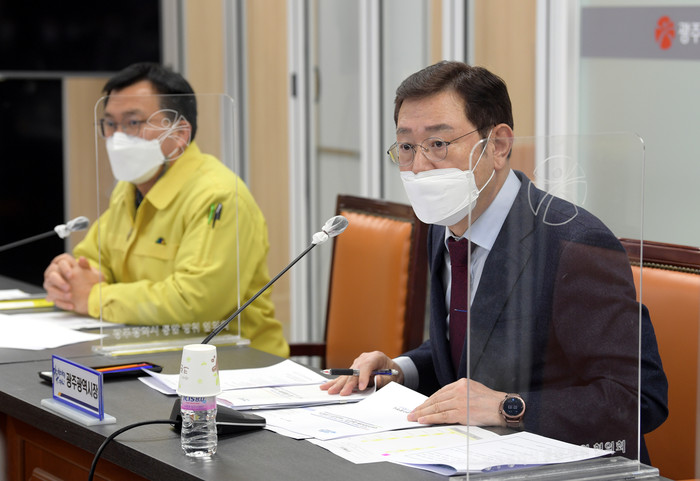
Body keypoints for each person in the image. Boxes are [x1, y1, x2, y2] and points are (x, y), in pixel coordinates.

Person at [322, 61, 668, 462]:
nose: (418, 167)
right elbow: (473, 348)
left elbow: (639, 397)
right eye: (406, 147)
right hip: (470, 457)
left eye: (438, 144)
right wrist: (400, 370)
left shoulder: (575, 243)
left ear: (498, 145)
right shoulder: (445, 225)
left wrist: (508, 407)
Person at [43, 62, 289, 358]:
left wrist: (95, 297)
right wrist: (67, 277)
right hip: (150, 351)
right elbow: (94, 261)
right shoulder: (130, 188)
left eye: (133, 123)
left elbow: (195, 302)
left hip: (233, 364)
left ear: (180, 133)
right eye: (110, 124)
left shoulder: (217, 196)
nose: (118, 138)